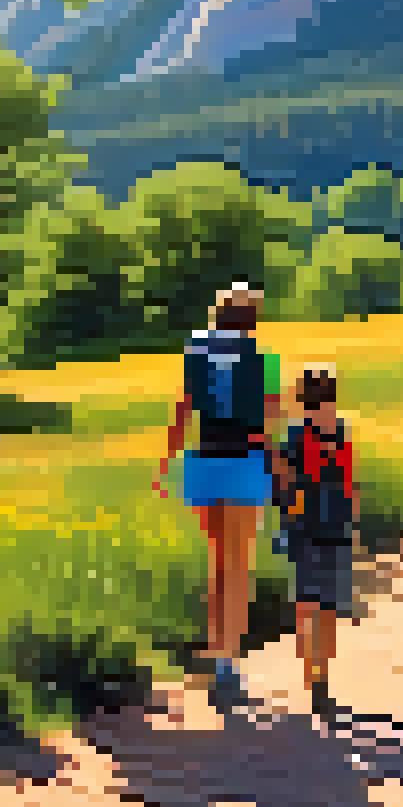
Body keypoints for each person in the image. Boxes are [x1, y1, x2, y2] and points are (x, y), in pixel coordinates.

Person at [156, 282, 282, 712]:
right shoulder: (264, 360)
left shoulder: (195, 353)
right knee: (239, 564)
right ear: (252, 319)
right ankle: (229, 664)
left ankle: (216, 655)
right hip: (245, 461)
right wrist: (279, 462)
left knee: (218, 562)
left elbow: (183, 410)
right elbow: (269, 419)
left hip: (203, 463)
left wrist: (166, 461)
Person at [275, 364, 360, 724]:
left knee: (304, 602)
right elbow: (351, 483)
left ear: (300, 396)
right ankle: (322, 683)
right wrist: (354, 525)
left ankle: (308, 670)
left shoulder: (295, 433)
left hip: (302, 525)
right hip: (337, 525)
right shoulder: (341, 430)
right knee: (328, 608)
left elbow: (282, 478)